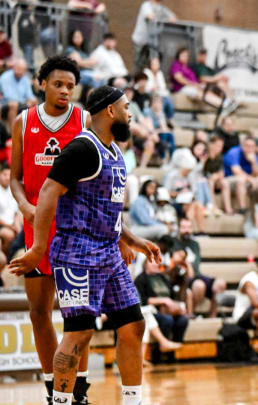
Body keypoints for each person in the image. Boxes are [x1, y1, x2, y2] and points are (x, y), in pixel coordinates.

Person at [9, 85, 162, 405]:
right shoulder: (82, 148)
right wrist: (38, 248)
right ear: (110, 111)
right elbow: (49, 193)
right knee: (79, 331)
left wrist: (134, 241)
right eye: (126, 107)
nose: (130, 113)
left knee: (133, 324)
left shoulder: (115, 151)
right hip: (78, 252)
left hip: (108, 251)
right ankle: (61, 401)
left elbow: (109, 211)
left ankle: (132, 400)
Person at [8, 56, 93, 405]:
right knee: (39, 311)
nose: (64, 91)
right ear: (42, 83)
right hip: (35, 228)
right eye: (58, 84)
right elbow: (14, 178)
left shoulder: (85, 120)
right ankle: (51, 388)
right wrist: (25, 206)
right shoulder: (23, 121)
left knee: (78, 314)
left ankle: (79, 390)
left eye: (71, 86)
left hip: (74, 229)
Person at [176, 218, 227, 317]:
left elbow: (196, 265)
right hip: (182, 277)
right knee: (199, 285)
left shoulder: (195, 244)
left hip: (197, 275)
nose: (187, 230)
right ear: (178, 229)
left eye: (189, 227)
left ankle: (212, 317)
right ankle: (188, 312)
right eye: (183, 227)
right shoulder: (174, 243)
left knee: (220, 283)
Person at [134, 259, 189, 344]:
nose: (155, 264)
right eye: (152, 262)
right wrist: (163, 300)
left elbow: (173, 295)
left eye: (156, 262)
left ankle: (176, 348)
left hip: (169, 309)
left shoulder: (162, 277)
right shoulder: (141, 279)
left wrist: (178, 306)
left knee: (183, 320)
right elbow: (143, 300)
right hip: (153, 311)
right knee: (167, 320)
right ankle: (160, 351)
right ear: (145, 264)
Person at [132, 0, 177, 72]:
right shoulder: (146, 5)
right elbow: (150, 16)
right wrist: (165, 19)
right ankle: (137, 81)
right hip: (140, 41)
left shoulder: (161, 8)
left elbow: (174, 18)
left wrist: (167, 19)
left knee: (150, 65)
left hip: (152, 43)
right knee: (139, 65)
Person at [0, 58, 37, 126]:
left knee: (34, 102)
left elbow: (30, 95)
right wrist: (25, 102)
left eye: (22, 70)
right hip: (5, 104)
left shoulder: (25, 79)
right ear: (14, 67)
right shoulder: (5, 77)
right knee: (14, 104)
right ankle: (13, 133)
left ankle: (32, 130)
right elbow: (8, 97)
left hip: (21, 104)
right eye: (18, 69)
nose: (20, 71)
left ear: (25, 70)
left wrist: (31, 100)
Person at [0, 163, 20, 257]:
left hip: (12, 224)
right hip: (2, 225)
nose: (7, 178)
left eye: (9, 175)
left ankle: (10, 257)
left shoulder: (12, 190)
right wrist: (10, 226)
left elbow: (15, 212)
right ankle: (5, 257)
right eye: (5, 175)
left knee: (22, 232)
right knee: (9, 235)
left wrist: (17, 225)